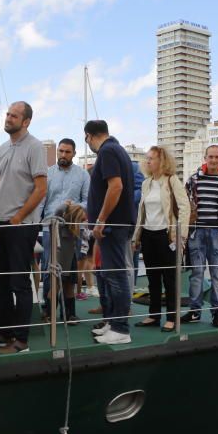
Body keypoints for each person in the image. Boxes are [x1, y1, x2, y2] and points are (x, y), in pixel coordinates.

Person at [0, 102, 47, 354]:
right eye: (7, 114)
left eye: (14, 116)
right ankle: (5, 333)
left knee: (20, 283)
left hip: (21, 225)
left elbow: (41, 188)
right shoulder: (4, 148)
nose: (8, 118)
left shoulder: (35, 147)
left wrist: (18, 217)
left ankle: (21, 341)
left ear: (26, 121)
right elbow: (0, 188)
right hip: (1, 225)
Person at [84, 120, 136, 345]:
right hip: (116, 225)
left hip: (113, 226)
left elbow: (116, 186)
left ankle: (121, 329)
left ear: (89, 136)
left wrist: (101, 220)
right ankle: (114, 323)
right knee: (110, 275)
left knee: (116, 276)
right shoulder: (117, 150)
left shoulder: (107, 151)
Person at [131, 146, 190, 332]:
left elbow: (184, 207)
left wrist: (180, 234)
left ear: (162, 161)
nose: (148, 161)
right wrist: (136, 237)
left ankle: (172, 317)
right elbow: (142, 212)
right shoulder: (146, 183)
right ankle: (154, 315)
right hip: (148, 235)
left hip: (166, 235)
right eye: (147, 158)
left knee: (170, 278)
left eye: (152, 158)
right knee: (152, 278)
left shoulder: (172, 181)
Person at [182, 145, 218, 327]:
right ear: (205, 158)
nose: (213, 160)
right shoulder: (193, 181)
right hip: (196, 232)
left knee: (217, 276)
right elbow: (184, 207)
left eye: (217, 157)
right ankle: (195, 311)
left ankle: (217, 313)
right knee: (196, 274)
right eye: (210, 157)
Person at [40, 139, 89, 316]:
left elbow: (88, 202)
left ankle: (69, 313)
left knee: (70, 271)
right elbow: (41, 202)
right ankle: (49, 310)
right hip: (49, 228)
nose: (63, 155)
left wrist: (74, 207)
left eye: (67, 152)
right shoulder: (48, 174)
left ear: (74, 153)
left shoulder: (83, 175)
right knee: (48, 269)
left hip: (73, 228)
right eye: (60, 151)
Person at [51, 203, 87, 325]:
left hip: (71, 260)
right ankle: (50, 314)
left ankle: (69, 314)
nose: (83, 219)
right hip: (60, 261)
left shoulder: (78, 228)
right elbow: (56, 213)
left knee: (70, 287)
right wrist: (65, 205)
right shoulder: (60, 225)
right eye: (80, 217)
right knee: (55, 287)